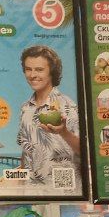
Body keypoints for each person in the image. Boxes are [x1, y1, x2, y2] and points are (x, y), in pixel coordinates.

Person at [17, 45, 80, 185]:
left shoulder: (67, 106)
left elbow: (85, 150)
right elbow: (26, 151)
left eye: (39, 70)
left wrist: (64, 132)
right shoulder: (25, 108)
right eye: (28, 69)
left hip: (61, 190)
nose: (32, 75)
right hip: (30, 189)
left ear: (52, 71)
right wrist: (20, 186)